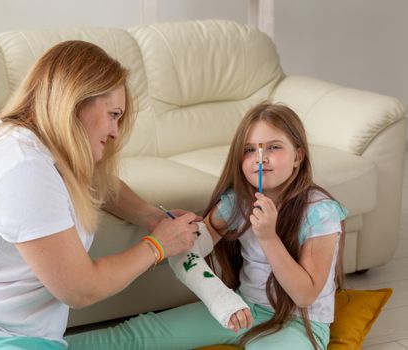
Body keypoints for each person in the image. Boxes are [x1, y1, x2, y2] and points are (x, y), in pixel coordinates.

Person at [0, 40, 201, 350]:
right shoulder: (21, 165)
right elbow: (80, 290)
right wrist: (158, 246)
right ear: (76, 101)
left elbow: (104, 186)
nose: (116, 131)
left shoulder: (42, 148)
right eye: (114, 114)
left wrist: (152, 217)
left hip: (16, 339)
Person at [65, 102, 347, 350]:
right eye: (250, 150)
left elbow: (305, 294)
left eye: (274, 147)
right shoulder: (237, 203)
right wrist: (181, 235)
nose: (261, 158)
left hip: (299, 322)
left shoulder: (319, 212)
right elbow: (190, 248)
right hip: (244, 308)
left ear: (298, 156)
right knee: (138, 335)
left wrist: (268, 238)